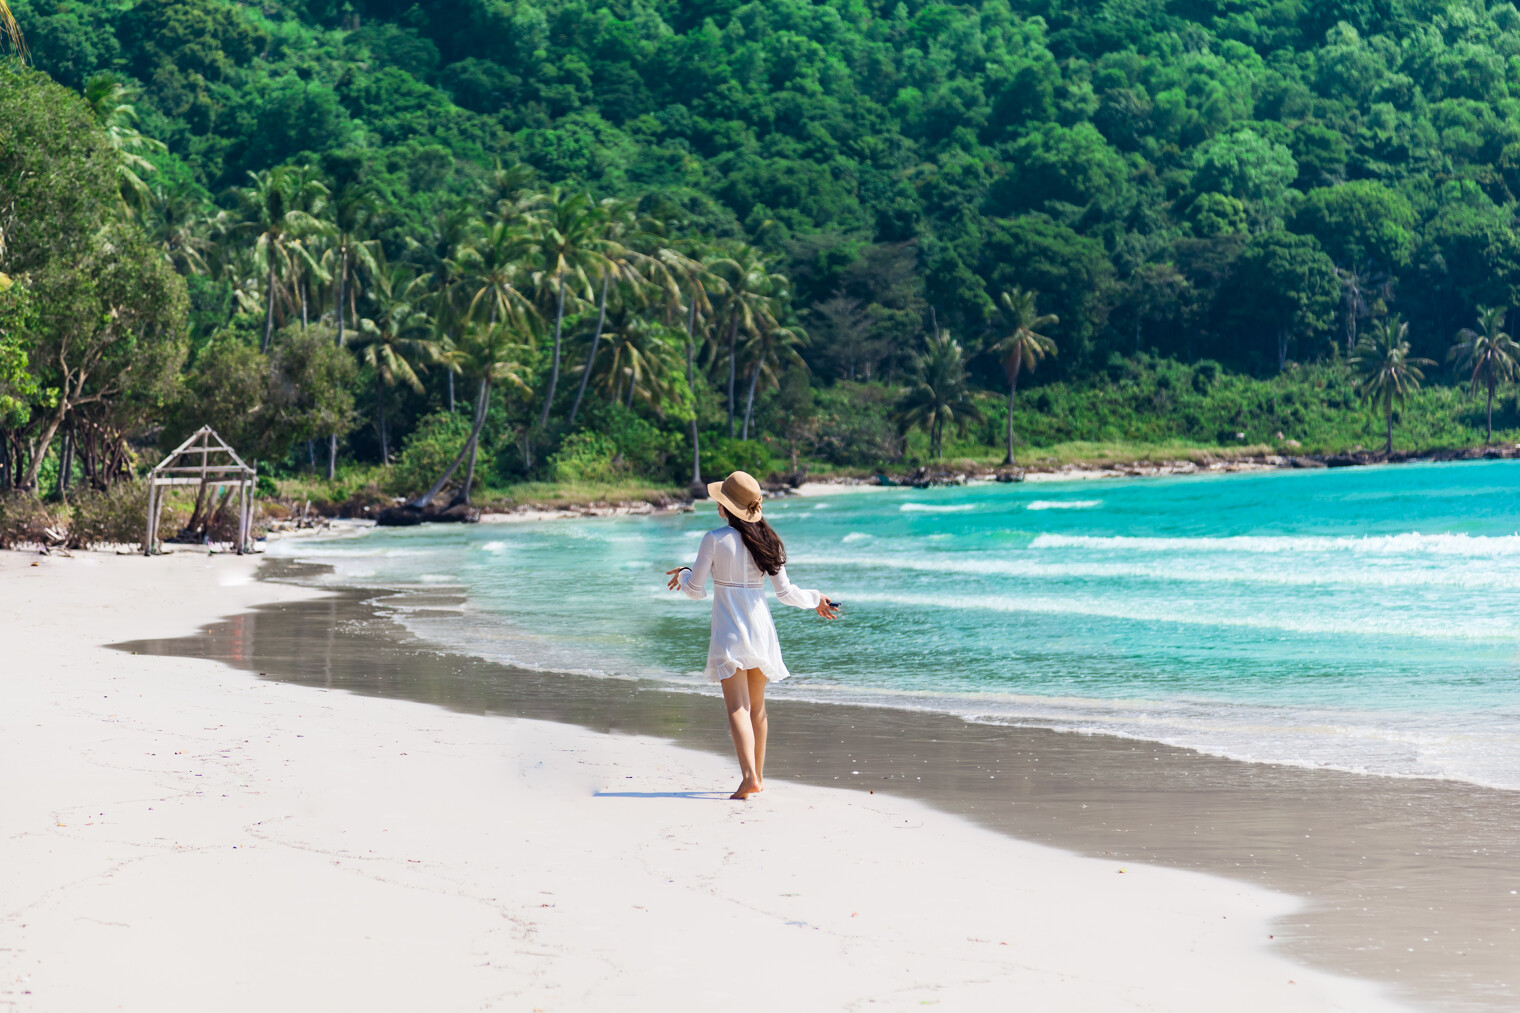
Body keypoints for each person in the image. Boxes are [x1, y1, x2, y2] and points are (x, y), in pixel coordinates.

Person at [666, 470, 838, 800]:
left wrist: (686, 574)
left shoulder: (714, 539)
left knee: (737, 708)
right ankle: (757, 776)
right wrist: (816, 597)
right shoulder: (767, 541)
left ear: (724, 506)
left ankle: (749, 779)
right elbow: (786, 593)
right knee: (756, 709)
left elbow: (695, 591)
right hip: (761, 629)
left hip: (730, 628)